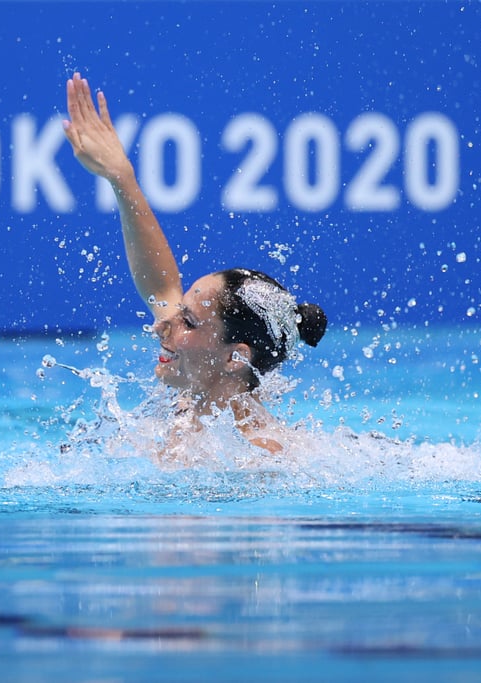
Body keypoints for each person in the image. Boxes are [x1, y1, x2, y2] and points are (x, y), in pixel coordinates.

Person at [62, 72, 327, 454]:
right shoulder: (192, 401)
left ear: (236, 356)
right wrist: (122, 179)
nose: (159, 324)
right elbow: (161, 283)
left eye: (187, 319)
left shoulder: (261, 455)